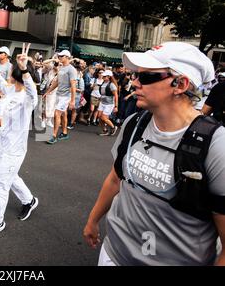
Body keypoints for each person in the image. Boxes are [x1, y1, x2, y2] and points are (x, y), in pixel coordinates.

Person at [83, 42, 225, 266]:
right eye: (136, 75)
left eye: (146, 77)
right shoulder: (134, 123)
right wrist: (92, 220)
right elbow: (115, 178)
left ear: (180, 84)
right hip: (114, 255)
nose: (135, 82)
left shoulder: (216, 145)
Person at [0, 45, 39, 236]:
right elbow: (0, 81)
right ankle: (29, 200)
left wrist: (25, 69)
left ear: (17, 75)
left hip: (16, 149)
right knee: (11, 178)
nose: (9, 72)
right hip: (4, 145)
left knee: (0, 183)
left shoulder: (27, 99)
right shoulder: (11, 89)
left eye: (12, 71)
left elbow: (32, 91)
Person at [42, 50, 77, 144]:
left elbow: (73, 85)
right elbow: (57, 82)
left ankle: (53, 136)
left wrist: (72, 100)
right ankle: (65, 133)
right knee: (64, 114)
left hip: (65, 96)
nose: (59, 57)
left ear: (67, 57)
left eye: (61, 56)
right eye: (59, 56)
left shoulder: (71, 69)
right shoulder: (61, 68)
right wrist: (48, 91)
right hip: (58, 94)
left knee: (57, 114)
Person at [97, 70, 119, 136]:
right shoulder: (103, 83)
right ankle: (105, 130)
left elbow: (116, 95)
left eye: (104, 76)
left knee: (104, 118)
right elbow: (103, 93)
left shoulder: (112, 85)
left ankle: (113, 127)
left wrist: (116, 106)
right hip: (102, 102)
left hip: (109, 104)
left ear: (109, 77)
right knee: (99, 117)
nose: (103, 77)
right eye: (103, 76)